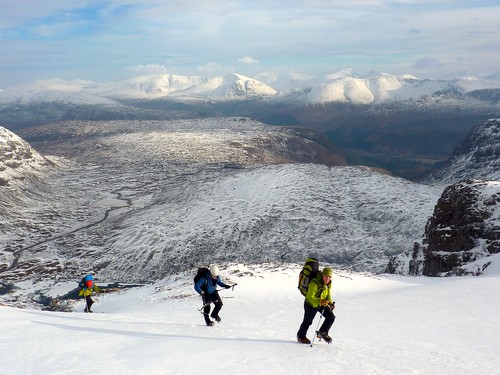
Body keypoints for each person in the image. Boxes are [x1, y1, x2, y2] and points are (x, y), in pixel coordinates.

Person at [297, 267, 336, 344]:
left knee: (331, 317)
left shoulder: (328, 284)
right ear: (322, 275)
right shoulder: (314, 283)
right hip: (310, 304)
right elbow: (310, 298)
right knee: (307, 322)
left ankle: (322, 332)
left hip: (321, 303)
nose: (327, 278)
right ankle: (301, 336)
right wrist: (321, 301)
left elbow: (328, 293)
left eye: (329, 276)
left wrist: (330, 302)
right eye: (326, 276)